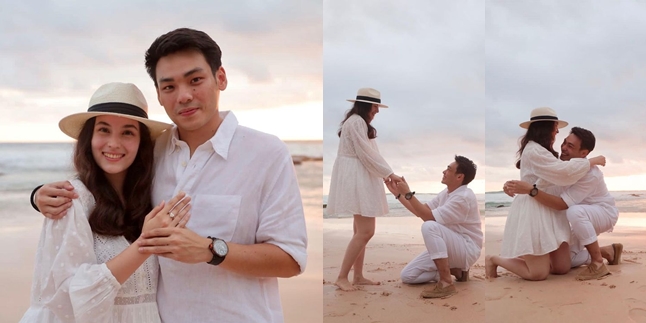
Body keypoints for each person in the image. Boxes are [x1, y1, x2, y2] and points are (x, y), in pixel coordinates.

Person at [32, 28, 308, 322]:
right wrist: (39, 195)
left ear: (221, 78)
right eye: (169, 86)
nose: (184, 96)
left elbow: (290, 259)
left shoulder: (266, 152)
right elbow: (106, 183)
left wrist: (210, 249)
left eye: (195, 80)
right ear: (160, 96)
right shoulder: (153, 152)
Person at [20, 82, 191, 322]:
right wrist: (145, 244)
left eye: (128, 132)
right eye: (104, 130)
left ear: (142, 142)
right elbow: (75, 301)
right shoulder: (72, 201)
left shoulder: (150, 195)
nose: (114, 143)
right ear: (89, 137)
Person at [485, 107, 606, 281]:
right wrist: (591, 161)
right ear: (547, 127)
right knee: (538, 274)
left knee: (561, 268)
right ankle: (494, 259)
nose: (557, 131)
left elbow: (546, 177)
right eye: (555, 127)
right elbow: (562, 172)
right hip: (535, 211)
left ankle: (533, 259)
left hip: (551, 210)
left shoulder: (544, 150)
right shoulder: (534, 150)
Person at [503, 126, 621, 281]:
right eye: (565, 142)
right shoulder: (562, 166)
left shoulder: (591, 174)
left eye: (570, 146)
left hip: (602, 213)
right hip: (579, 218)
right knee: (562, 263)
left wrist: (531, 191)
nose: (564, 148)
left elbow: (561, 204)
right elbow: (541, 184)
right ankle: (608, 251)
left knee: (574, 212)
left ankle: (598, 262)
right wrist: (513, 185)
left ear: (583, 154)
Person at [326, 87, 402, 291]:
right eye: (376, 106)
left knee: (360, 230)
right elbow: (365, 153)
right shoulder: (357, 122)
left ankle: (357, 276)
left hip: (357, 175)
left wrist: (385, 172)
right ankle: (342, 277)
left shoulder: (355, 122)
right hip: (358, 177)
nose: (377, 110)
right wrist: (389, 173)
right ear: (367, 105)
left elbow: (367, 153)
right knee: (366, 231)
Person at [386, 156, 482, 299]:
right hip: (451, 245)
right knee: (408, 276)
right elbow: (420, 211)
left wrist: (408, 193)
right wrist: (398, 194)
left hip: (467, 248)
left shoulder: (462, 197)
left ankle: (446, 283)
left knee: (430, 226)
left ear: (459, 176)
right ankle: (457, 271)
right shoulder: (448, 192)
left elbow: (427, 217)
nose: (444, 171)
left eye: (449, 169)